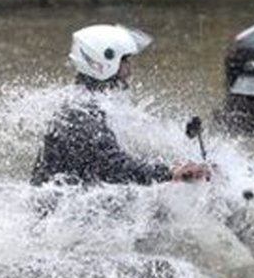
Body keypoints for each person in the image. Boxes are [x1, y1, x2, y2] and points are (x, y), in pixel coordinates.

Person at [31, 24, 211, 187]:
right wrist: (169, 173)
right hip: (63, 214)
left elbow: (124, 155)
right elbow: (115, 167)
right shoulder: (81, 115)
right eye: (125, 61)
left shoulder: (88, 105)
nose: (130, 70)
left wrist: (179, 161)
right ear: (103, 63)